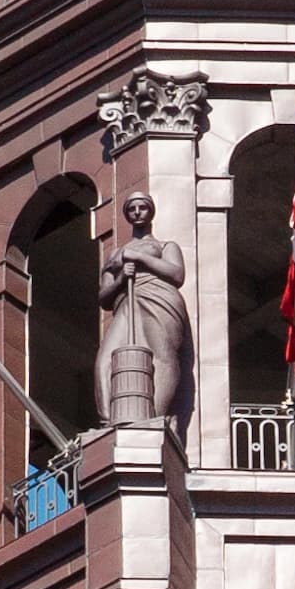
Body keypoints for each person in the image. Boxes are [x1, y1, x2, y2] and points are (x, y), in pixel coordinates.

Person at [98, 189, 195, 444]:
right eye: (132, 209)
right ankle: (107, 418)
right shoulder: (115, 254)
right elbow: (104, 296)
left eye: (142, 207)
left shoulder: (165, 246)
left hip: (160, 299)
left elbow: (176, 274)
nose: (137, 212)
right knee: (105, 361)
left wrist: (140, 257)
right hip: (127, 301)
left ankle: (156, 415)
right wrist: (121, 278)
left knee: (162, 356)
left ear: (151, 212)